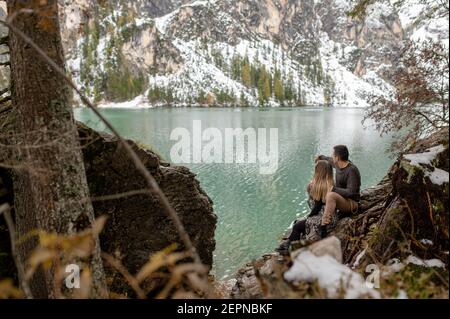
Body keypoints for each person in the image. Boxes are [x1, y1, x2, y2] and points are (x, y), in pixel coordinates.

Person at [276, 160, 334, 254]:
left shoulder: (321, 187)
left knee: (297, 226)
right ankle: (289, 243)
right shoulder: (329, 184)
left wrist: (309, 217)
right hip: (326, 216)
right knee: (298, 222)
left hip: (323, 218)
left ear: (319, 172)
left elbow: (317, 207)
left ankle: (290, 248)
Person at [315, 145, 361, 228]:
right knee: (317, 186)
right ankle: (316, 210)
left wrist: (334, 189)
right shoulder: (338, 164)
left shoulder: (351, 170)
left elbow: (351, 192)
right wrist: (320, 157)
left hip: (351, 203)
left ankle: (324, 224)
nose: (332, 156)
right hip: (341, 198)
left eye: (333, 155)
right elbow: (328, 159)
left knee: (330, 195)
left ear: (337, 157)